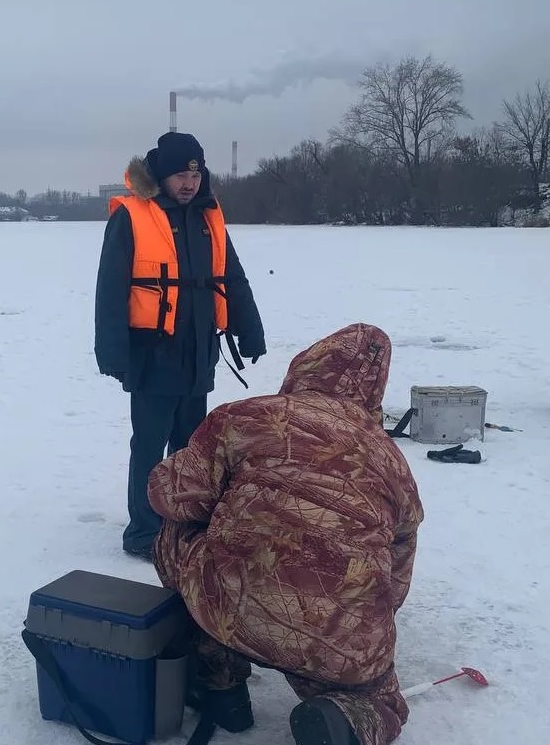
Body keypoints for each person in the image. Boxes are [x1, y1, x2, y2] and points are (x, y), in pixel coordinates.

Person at [147, 322, 424, 745]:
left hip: (231, 604)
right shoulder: (393, 462)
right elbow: (398, 576)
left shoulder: (242, 416)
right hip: (339, 634)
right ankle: (343, 719)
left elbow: (172, 498)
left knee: (176, 532)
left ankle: (218, 679)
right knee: (379, 701)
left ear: (305, 368)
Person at [94, 131, 266, 561]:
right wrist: (112, 351)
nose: (189, 183)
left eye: (195, 173)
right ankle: (143, 532)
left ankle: (180, 521)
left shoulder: (208, 217)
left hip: (198, 350)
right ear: (161, 175)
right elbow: (110, 288)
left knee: (191, 446)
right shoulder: (132, 216)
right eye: (179, 174)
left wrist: (250, 328)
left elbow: (232, 278)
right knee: (150, 444)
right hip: (152, 352)